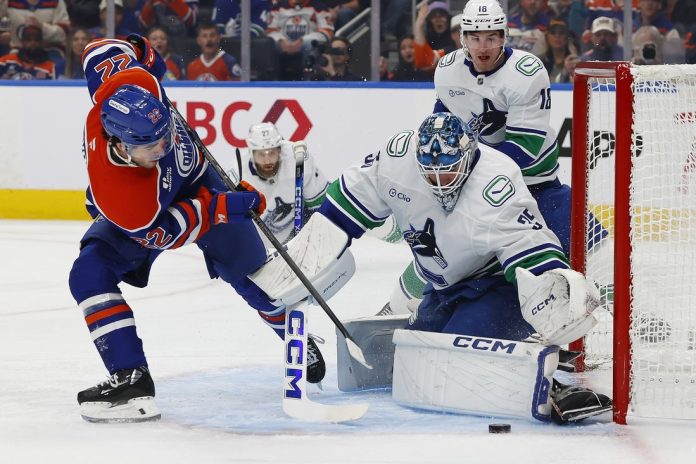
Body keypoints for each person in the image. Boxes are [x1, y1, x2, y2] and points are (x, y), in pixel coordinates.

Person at [70, 33, 325, 423]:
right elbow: (173, 231)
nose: (163, 147)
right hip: (159, 213)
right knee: (89, 274)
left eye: (164, 136)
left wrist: (143, 50)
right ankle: (131, 378)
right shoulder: (127, 202)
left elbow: (101, 49)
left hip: (198, 178)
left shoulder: (137, 82)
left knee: (254, 276)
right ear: (121, 145)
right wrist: (223, 207)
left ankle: (295, 338)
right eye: (151, 147)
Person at [310, 112, 610, 423]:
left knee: (454, 364)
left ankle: (550, 385)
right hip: (445, 288)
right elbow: (345, 202)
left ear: (467, 157)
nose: (440, 182)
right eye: (431, 173)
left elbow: (529, 245)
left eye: (449, 171)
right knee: (408, 365)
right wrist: (313, 247)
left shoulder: (496, 181)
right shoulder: (396, 160)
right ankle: (509, 351)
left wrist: (552, 286)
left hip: (497, 287)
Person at [384, 0, 574, 316]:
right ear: (464, 39)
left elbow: (523, 151)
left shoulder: (525, 73)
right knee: (441, 250)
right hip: (470, 183)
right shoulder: (448, 70)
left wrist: (466, 173)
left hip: (535, 187)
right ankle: (397, 309)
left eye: (491, 37)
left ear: (503, 37)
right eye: (475, 38)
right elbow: (441, 128)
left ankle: (591, 309)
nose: (483, 46)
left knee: (581, 243)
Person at [233, 122, 329, 245]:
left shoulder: (298, 158)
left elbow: (321, 207)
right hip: (257, 246)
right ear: (252, 153)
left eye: (272, 153)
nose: (267, 160)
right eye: (261, 154)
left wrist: (314, 239)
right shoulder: (237, 174)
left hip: (298, 238)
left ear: (279, 149)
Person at [265, 0, 334, 81]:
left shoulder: (320, 7)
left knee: (311, 44)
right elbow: (270, 31)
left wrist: (303, 41)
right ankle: (272, 82)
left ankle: (308, 81)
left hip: (307, 44)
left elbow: (327, 32)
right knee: (269, 43)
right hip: (282, 44)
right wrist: (281, 40)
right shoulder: (278, 7)